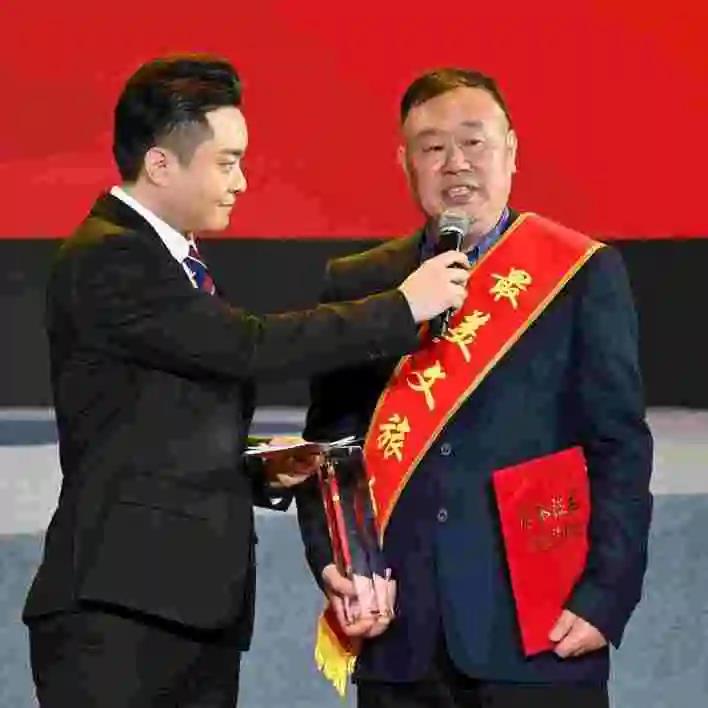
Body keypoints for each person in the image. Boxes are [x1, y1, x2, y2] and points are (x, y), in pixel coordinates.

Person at [22, 55, 471, 707]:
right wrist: (403, 308)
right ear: (161, 164)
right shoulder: (110, 256)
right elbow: (247, 346)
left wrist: (255, 466)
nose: (242, 182)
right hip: (120, 611)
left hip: (185, 608)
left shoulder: (172, 261)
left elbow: (152, 421)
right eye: (227, 162)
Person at [295, 68, 653, 708]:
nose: (455, 163)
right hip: (400, 631)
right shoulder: (360, 284)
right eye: (432, 147)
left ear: (511, 150)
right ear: (405, 162)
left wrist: (606, 596)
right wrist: (338, 563)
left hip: (539, 628)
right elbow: (330, 450)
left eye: (473, 141)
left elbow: (620, 448)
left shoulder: (580, 273)